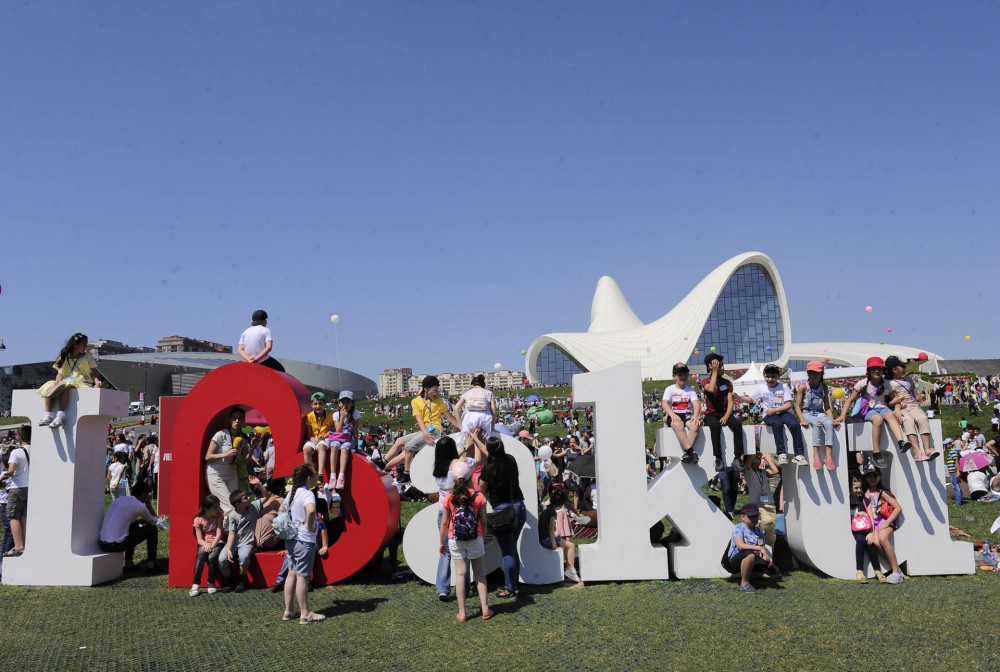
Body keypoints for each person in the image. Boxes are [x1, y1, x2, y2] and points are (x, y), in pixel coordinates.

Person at [432, 432, 483, 600]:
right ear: (453, 450)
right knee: (463, 551)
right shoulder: (460, 466)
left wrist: (463, 448)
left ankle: (442, 588)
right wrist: (473, 442)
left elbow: (453, 461)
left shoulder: (438, 471)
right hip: (461, 512)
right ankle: (465, 588)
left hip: (443, 512)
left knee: (445, 551)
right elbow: (476, 460)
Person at [439, 461, 492, 622]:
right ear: (470, 477)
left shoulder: (449, 498)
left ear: (454, 479)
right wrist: (484, 534)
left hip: (455, 538)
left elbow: (445, 522)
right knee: (479, 574)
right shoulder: (479, 497)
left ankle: (462, 612)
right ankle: (485, 609)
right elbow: (483, 519)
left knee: (460, 574)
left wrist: (441, 542)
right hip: (476, 537)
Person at [383, 376, 462, 483]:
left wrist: (462, 427)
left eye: (437, 390)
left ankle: (408, 474)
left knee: (408, 448)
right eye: (434, 390)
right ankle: (382, 461)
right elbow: (419, 419)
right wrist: (425, 433)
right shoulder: (416, 401)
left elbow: (448, 416)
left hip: (434, 430)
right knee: (399, 441)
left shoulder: (438, 401)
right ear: (426, 389)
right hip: (425, 430)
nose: (436, 393)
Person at [836, 357, 908, 470]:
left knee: (890, 415)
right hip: (869, 410)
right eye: (873, 368)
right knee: (878, 420)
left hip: (884, 408)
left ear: (883, 370)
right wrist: (843, 415)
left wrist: (897, 409)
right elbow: (850, 400)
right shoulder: (862, 384)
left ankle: (901, 442)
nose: (876, 371)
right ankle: (876, 453)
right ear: (868, 370)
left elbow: (896, 399)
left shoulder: (887, 384)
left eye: (879, 368)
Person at [478, 436, 526, 599]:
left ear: (490, 451)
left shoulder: (488, 470)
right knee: (512, 548)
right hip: (519, 507)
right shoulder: (511, 460)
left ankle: (510, 588)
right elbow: (494, 454)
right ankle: (514, 584)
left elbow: (481, 492)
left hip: (503, 512)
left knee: (507, 552)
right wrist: (478, 441)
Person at [738, 364, 806, 466]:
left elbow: (788, 404)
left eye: (773, 377)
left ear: (778, 376)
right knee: (777, 424)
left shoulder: (783, 386)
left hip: (783, 412)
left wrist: (776, 410)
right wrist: (738, 397)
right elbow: (750, 399)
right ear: (764, 376)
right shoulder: (761, 388)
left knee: (795, 425)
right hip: (769, 415)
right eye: (767, 376)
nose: (770, 379)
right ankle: (781, 453)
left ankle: (799, 454)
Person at [283, 463, 325, 624]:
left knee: (292, 573)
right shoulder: (307, 494)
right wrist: (309, 525)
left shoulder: (292, 494)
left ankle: (289, 610)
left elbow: (282, 510)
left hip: (292, 539)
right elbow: (311, 510)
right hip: (304, 539)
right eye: (315, 475)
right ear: (309, 478)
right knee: (302, 577)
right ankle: (305, 613)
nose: (317, 477)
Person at [37, 333, 103, 428]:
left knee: (66, 386)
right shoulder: (64, 356)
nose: (85, 347)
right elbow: (60, 373)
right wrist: (56, 383)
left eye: (86, 344)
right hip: (68, 379)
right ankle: (48, 415)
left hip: (81, 380)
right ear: (75, 344)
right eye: (83, 344)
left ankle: (61, 415)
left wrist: (96, 382)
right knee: (50, 386)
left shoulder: (87, 356)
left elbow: (92, 372)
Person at [219, 476, 267, 593]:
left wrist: (259, 484)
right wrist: (229, 548)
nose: (248, 499)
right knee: (222, 559)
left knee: (244, 557)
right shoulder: (232, 515)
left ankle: (242, 580)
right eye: (245, 498)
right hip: (234, 542)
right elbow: (231, 533)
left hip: (247, 542)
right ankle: (229, 581)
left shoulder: (253, 507)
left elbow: (266, 496)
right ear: (238, 504)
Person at [885, 356, 938, 462]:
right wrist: (898, 410)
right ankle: (917, 452)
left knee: (922, 418)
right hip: (901, 407)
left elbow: (915, 394)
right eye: (902, 366)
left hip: (913, 405)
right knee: (908, 421)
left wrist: (920, 397)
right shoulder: (888, 382)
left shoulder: (908, 379)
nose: (904, 368)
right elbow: (894, 399)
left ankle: (927, 449)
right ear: (894, 369)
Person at [98, 480, 159, 571]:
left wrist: (138, 522)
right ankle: (151, 564)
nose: (149, 496)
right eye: (148, 494)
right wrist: (148, 503)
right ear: (143, 495)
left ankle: (129, 564)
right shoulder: (140, 506)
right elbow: (154, 521)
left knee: (133, 526)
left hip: (102, 543)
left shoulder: (120, 499)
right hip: (116, 545)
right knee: (152, 529)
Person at [860, 463, 904, 584]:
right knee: (876, 542)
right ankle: (897, 569)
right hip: (872, 524)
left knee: (883, 538)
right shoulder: (864, 493)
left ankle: (896, 572)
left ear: (879, 476)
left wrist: (887, 523)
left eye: (875, 475)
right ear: (865, 478)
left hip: (885, 521)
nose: (872, 478)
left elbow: (898, 508)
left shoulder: (882, 492)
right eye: (869, 475)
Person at [701, 353, 745, 473]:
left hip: (725, 413)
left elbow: (731, 401)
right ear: (710, 367)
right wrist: (714, 372)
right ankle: (718, 458)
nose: (721, 368)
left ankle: (737, 458)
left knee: (737, 425)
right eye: (718, 365)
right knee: (714, 426)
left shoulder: (727, 383)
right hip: (711, 414)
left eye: (721, 365)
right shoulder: (705, 380)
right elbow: (711, 389)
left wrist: (726, 416)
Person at [722, 503, 778, 594]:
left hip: (753, 559)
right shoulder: (739, 528)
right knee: (749, 554)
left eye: (756, 516)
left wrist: (766, 558)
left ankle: (749, 573)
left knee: (775, 573)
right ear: (743, 517)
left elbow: (761, 549)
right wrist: (759, 549)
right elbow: (741, 545)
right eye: (751, 517)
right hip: (734, 561)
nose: (755, 519)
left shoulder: (759, 532)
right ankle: (744, 582)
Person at [794, 361, 839, 471]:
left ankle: (828, 456)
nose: (812, 375)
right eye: (810, 372)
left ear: (821, 374)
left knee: (828, 424)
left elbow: (827, 406)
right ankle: (816, 456)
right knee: (816, 424)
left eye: (815, 373)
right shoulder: (803, 387)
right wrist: (802, 419)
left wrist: (832, 419)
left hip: (819, 412)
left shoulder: (824, 387)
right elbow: (797, 406)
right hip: (807, 412)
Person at [205, 407, 245, 519]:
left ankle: (229, 532)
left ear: (243, 421)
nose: (237, 421)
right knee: (229, 508)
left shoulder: (241, 438)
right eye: (234, 418)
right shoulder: (221, 434)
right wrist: (225, 454)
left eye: (240, 418)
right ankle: (229, 535)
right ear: (230, 420)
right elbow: (207, 457)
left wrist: (252, 448)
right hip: (216, 474)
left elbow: (244, 461)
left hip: (232, 473)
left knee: (237, 505)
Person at [538, 488, 581, 583]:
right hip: (546, 539)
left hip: (544, 537)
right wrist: (554, 544)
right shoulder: (552, 512)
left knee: (567, 545)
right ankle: (571, 569)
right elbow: (551, 529)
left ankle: (570, 568)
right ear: (561, 503)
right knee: (571, 546)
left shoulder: (548, 510)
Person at [662, 362, 702, 464]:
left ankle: (686, 453)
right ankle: (691, 451)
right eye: (680, 375)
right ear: (674, 377)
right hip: (674, 415)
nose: (683, 377)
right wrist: (672, 415)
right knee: (678, 424)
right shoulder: (670, 389)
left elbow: (696, 404)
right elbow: (665, 403)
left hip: (687, 415)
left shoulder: (690, 390)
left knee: (694, 426)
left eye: (685, 374)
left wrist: (695, 416)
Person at [0, 426, 30, 557]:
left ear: (19, 438)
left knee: (13, 516)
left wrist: (2, 477)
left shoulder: (16, 452)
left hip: (17, 487)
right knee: (24, 515)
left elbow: (11, 471)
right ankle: (26, 542)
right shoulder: (36, 450)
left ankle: (19, 546)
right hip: (29, 486)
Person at [849, 475, 885, 583]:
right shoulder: (846, 501)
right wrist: (855, 514)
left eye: (860, 488)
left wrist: (871, 533)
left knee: (870, 543)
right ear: (850, 488)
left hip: (866, 529)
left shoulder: (865, 501)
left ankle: (878, 571)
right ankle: (859, 571)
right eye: (855, 488)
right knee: (860, 541)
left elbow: (871, 518)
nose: (858, 490)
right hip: (855, 530)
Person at [190, 495, 225, 596]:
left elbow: (219, 534)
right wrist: (206, 544)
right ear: (206, 509)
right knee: (201, 554)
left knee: (212, 557)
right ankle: (196, 584)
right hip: (205, 544)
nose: (218, 510)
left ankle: (211, 582)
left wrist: (213, 545)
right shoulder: (198, 519)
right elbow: (199, 539)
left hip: (217, 542)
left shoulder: (219, 516)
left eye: (218, 507)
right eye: (215, 508)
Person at [328, 391, 361, 491]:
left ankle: (341, 477)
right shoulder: (336, 414)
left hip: (348, 438)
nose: (345, 404)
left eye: (348, 402)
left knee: (344, 449)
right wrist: (342, 417)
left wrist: (357, 447)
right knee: (334, 447)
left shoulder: (355, 413)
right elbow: (338, 430)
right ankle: (333, 476)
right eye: (342, 402)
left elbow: (355, 430)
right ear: (339, 403)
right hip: (338, 437)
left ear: (352, 403)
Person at [302, 392, 335, 484]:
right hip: (313, 438)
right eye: (315, 404)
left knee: (321, 447)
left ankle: (320, 473)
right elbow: (308, 434)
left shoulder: (330, 416)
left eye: (320, 403)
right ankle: (311, 472)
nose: (318, 406)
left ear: (325, 404)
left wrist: (323, 436)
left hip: (324, 438)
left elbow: (331, 431)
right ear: (311, 405)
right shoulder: (310, 416)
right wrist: (314, 439)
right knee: (306, 449)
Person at [452, 374, 497, 441]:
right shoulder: (488, 393)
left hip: (469, 418)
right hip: (484, 418)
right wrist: (493, 428)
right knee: (484, 441)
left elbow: (456, 408)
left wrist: (461, 427)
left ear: (473, 384)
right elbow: (493, 409)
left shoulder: (467, 392)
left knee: (469, 441)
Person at [943, 439, 963, 505]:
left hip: (953, 471)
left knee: (955, 486)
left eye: (946, 444)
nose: (945, 445)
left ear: (951, 444)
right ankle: (960, 500)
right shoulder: (951, 452)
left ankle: (958, 502)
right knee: (957, 486)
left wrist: (958, 472)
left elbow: (956, 463)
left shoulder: (953, 452)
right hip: (952, 471)